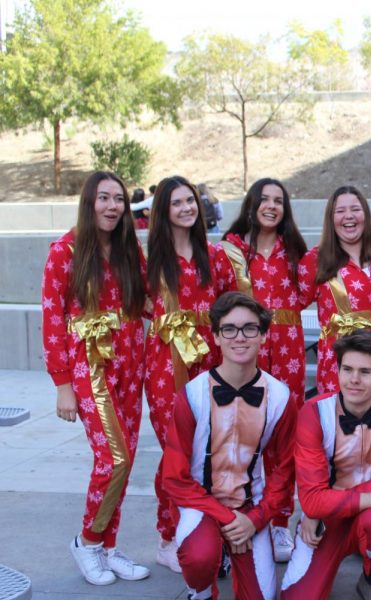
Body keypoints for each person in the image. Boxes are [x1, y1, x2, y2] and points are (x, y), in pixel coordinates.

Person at [42, 171, 150, 585]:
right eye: (103, 198)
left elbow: (148, 301)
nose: (111, 206)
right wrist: (63, 385)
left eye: (118, 199)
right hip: (90, 365)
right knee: (113, 458)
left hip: (131, 361)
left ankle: (108, 545)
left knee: (126, 459)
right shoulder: (65, 252)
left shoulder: (127, 251)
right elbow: (53, 320)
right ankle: (87, 541)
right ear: (89, 203)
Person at [162, 291, 296, 600]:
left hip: (251, 505)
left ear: (263, 335)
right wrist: (227, 518)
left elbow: (286, 470)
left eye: (250, 328)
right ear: (216, 337)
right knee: (199, 557)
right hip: (200, 503)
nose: (240, 337)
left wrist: (255, 518)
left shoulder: (280, 396)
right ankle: (200, 592)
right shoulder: (192, 395)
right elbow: (174, 477)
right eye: (229, 329)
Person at [145, 175, 238, 573]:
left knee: (214, 447)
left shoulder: (214, 257)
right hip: (167, 365)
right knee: (176, 449)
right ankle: (169, 536)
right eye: (177, 203)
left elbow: (233, 307)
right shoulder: (148, 262)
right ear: (163, 211)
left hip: (211, 361)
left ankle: (212, 528)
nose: (186, 208)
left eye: (191, 201)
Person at [281, 330, 371, 600]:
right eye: (347, 369)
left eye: (365, 372)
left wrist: (320, 502)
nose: (353, 380)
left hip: (370, 512)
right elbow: (313, 502)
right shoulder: (314, 412)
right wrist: (314, 509)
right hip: (326, 520)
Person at [221, 177, 308, 561]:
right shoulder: (233, 250)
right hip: (245, 350)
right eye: (265, 199)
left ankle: (278, 524)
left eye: (279, 201)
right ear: (252, 204)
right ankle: (235, 520)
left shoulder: (297, 253)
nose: (271, 206)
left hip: (287, 351)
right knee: (240, 435)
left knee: (284, 439)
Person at [298, 185, 371, 394]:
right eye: (340, 211)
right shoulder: (314, 261)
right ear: (331, 218)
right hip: (343, 364)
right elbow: (288, 304)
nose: (348, 216)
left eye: (355, 209)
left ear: (366, 214)